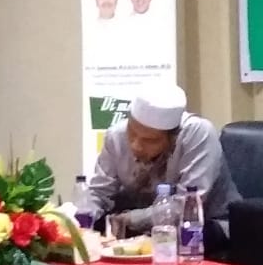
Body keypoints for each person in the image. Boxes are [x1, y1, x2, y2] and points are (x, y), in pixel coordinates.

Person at [81, 82, 240, 255]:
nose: (136, 146)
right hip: (143, 227)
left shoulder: (198, 133)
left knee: (178, 235)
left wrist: (131, 219)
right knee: (98, 229)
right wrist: (78, 223)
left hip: (203, 225)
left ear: (173, 137)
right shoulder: (116, 136)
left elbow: (186, 204)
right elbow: (98, 192)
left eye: (149, 141)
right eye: (132, 133)